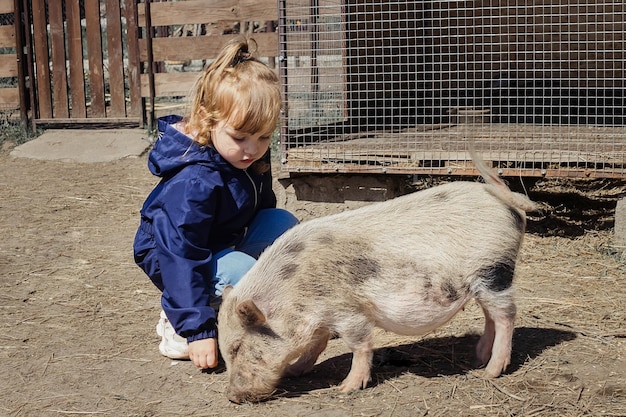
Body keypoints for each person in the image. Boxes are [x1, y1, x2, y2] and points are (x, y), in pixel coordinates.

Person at [133, 36, 299, 370]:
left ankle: (273, 304)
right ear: (209, 121)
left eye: (264, 137)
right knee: (242, 270)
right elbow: (179, 252)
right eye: (240, 137)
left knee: (284, 227)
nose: (252, 149)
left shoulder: (245, 160)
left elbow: (260, 210)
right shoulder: (195, 181)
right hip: (174, 258)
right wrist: (198, 331)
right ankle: (178, 318)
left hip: (220, 241)